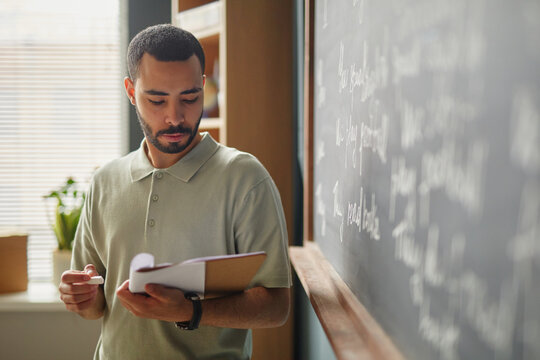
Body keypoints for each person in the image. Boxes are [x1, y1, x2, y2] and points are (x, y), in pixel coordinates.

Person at [58, 24, 292, 360]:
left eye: (190, 97)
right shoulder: (105, 182)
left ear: (203, 87)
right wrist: (81, 297)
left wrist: (189, 312)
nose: (174, 117)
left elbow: (275, 307)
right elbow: (96, 306)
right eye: (156, 99)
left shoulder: (245, 178)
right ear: (130, 91)